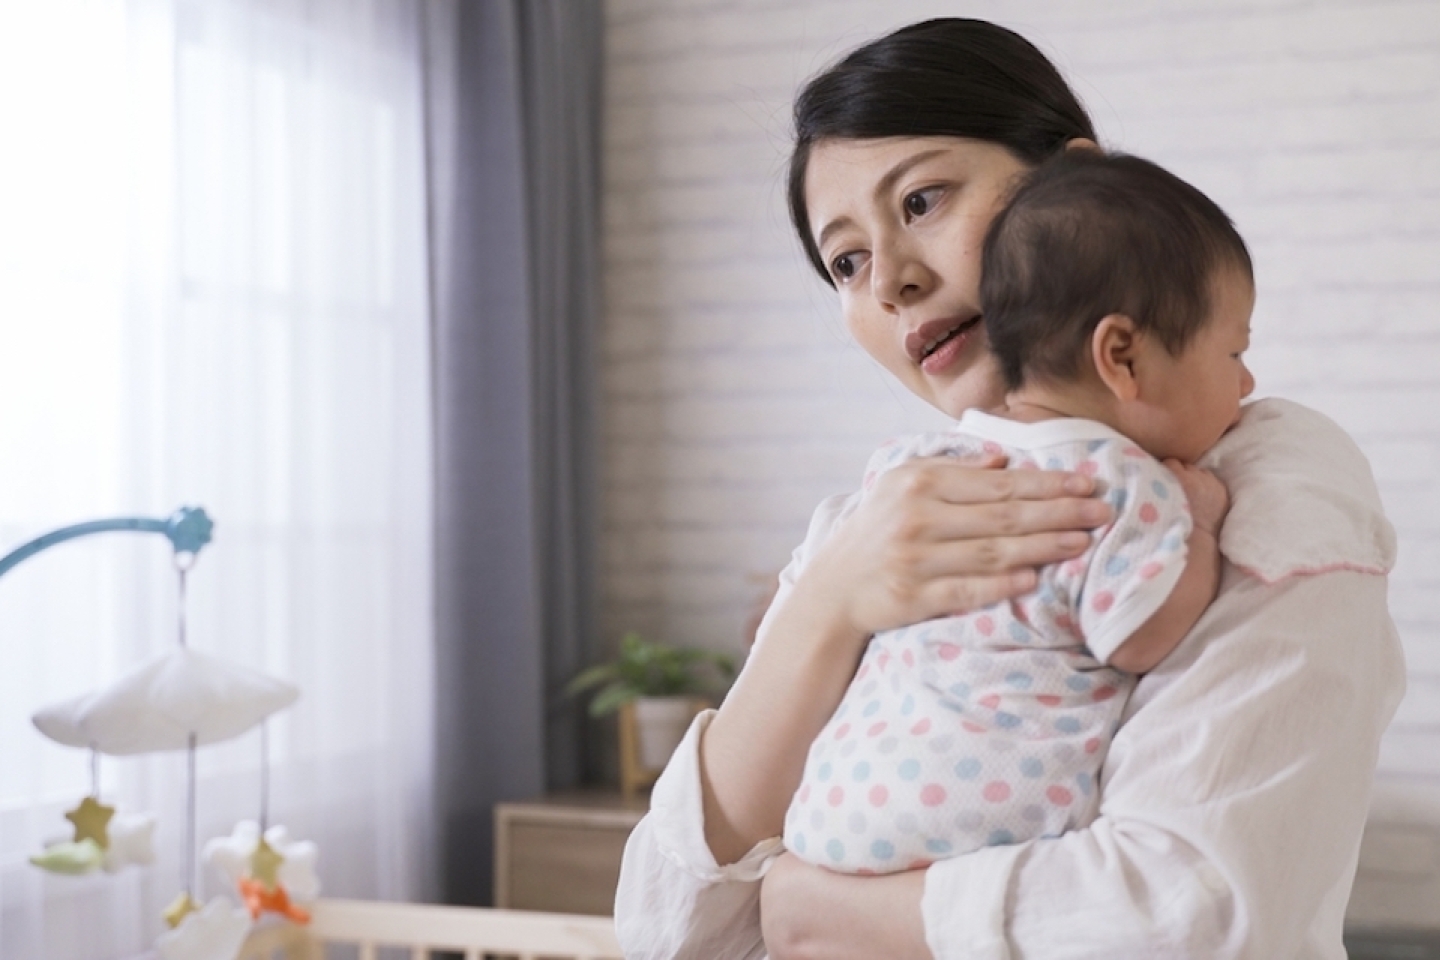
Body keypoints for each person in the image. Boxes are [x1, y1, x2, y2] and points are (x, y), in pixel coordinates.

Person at [614, 17, 1403, 959]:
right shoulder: (872, 518)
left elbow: (1189, 916)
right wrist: (826, 603)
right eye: (847, 262)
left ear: (1074, 184)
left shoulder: (1259, 479)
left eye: (922, 200)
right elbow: (667, 933)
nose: (893, 284)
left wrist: (818, 909)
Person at [786, 150, 1252, 875]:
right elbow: (1141, 637)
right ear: (1121, 357)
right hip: (983, 827)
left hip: (831, 819)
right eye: (1233, 353)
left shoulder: (909, 467)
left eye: (920, 201)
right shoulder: (1126, 486)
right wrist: (1203, 527)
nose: (889, 281)